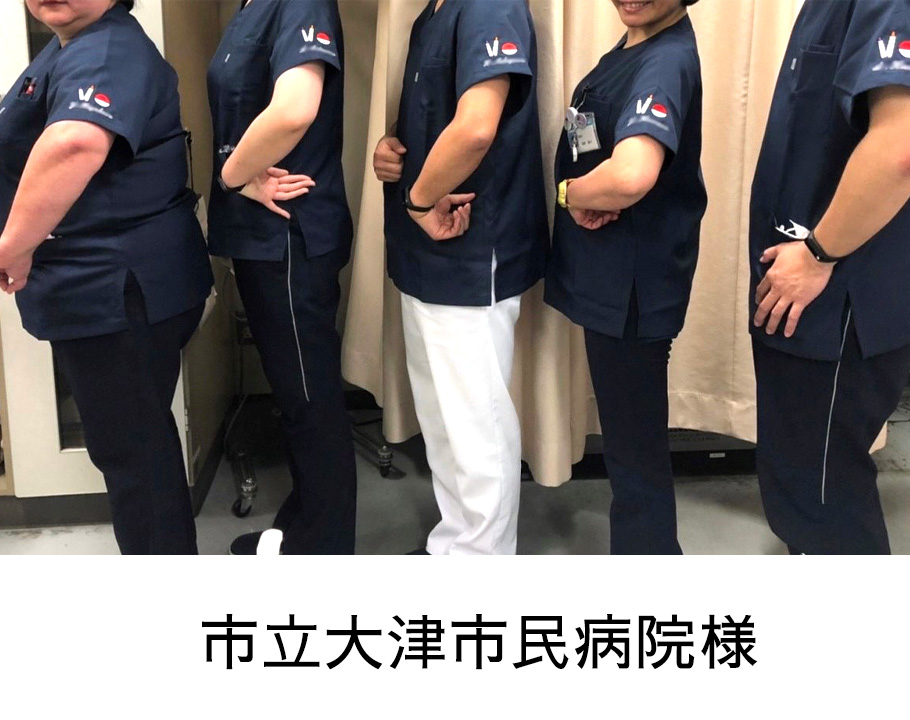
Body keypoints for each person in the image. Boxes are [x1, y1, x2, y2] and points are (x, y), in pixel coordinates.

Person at [0, 0, 214, 554]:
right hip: (106, 284)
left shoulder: (109, 49)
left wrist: (11, 249)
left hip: (117, 286)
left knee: (134, 455)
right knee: (136, 443)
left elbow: (73, 143)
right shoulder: (70, 45)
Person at [750, 0, 910, 554]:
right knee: (806, 480)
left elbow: (906, 142)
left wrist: (816, 254)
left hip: (842, 298)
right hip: (822, 295)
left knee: (823, 497)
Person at [373, 0, 548, 555]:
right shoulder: (432, 14)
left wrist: (419, 201)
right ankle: (454, 545)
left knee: (476, 429)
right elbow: (436, 119)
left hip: (470, 246)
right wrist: (391, 149)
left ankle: (481, 561)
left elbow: (475, 129)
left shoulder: (489, 7)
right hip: (427, 254)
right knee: (444, 424)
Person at [544, 0, 706, 554]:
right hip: (614, 277)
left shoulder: (665, 59)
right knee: (629, 443)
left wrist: (570, 194)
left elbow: (631, 175)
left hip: (632, 285)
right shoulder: (635, 45)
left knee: (635, 454)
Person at [207, 0, 356, 555]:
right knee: (297, 396)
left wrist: (230, 177)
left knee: (309, 401)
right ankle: (302, 528)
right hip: (263, 236)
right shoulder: (253, 7)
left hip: (289, 236)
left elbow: (295, 109)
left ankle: (322, 551)